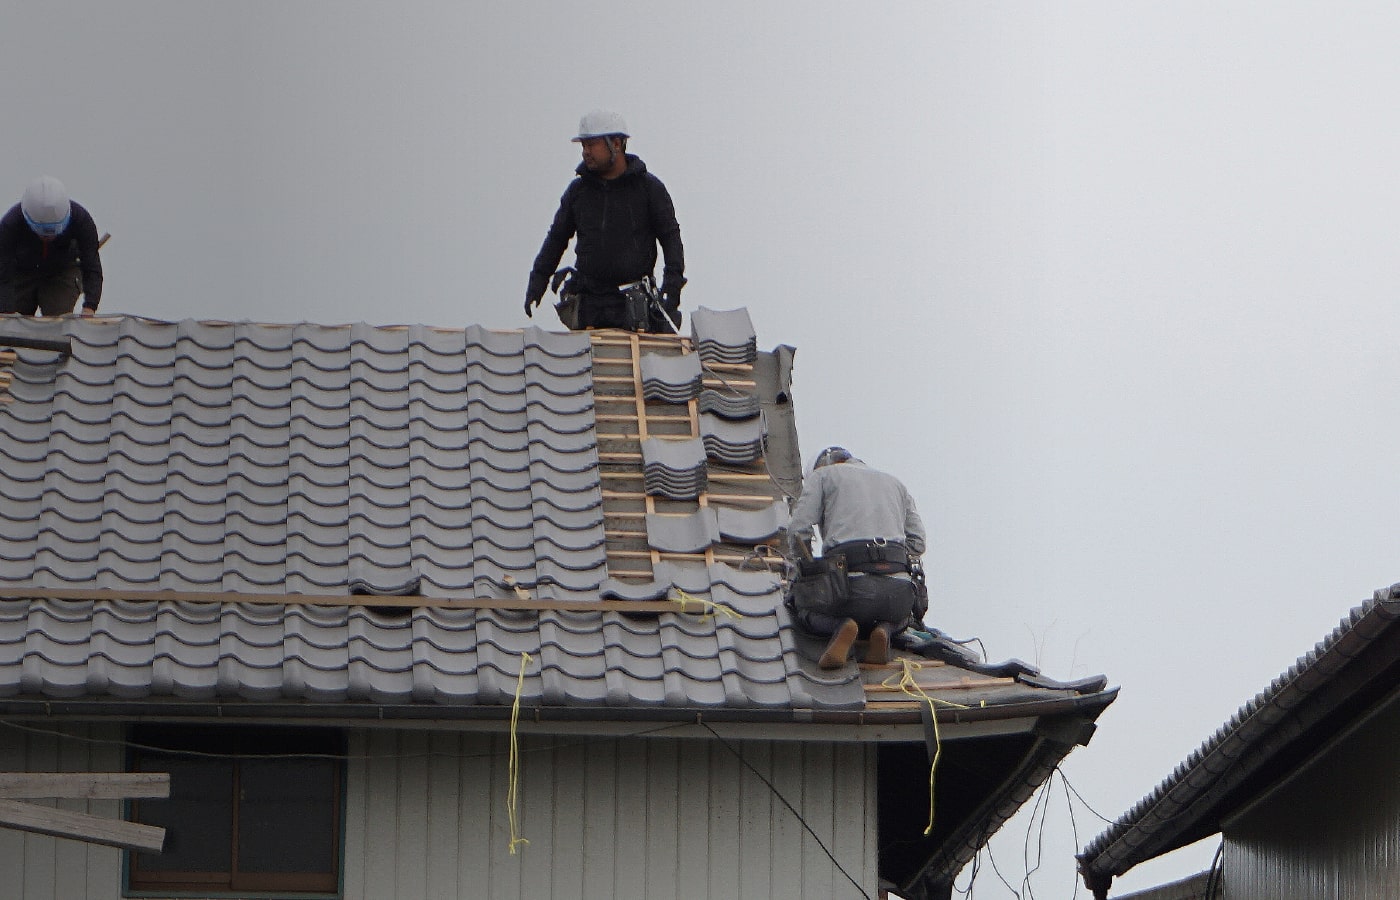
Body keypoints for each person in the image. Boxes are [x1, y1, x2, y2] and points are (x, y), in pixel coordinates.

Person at [525, 110, 685, 333]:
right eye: (583, 146)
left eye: (591, 145)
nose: (585, 152)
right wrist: (538, 280)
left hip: (634, 306)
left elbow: (670, 238)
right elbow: (556, 239)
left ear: (616, 144)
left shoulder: (649, 189)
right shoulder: (578, 192)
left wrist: (672, 287)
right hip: (590, 306)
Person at [786, 447, 928, 669]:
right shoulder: (895, 483)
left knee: (801, 607)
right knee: (904, 620)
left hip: (846, 591)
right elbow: (918, 542)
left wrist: (808, 568)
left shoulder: (822, 476)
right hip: (898, 596)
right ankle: (884, 630)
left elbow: (797, 531)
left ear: (821, 465)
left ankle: (841, 626)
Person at [0, 176, 104, 317]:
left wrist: (90, 306)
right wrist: (6, 311)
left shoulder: (82, 220)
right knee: (12, 321)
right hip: (21, 271)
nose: (48, 237)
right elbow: (3, 271)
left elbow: (91, 264)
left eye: (54, 231)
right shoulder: (10, 225)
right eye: (42, 232)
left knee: (58, 319)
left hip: (62, 271)